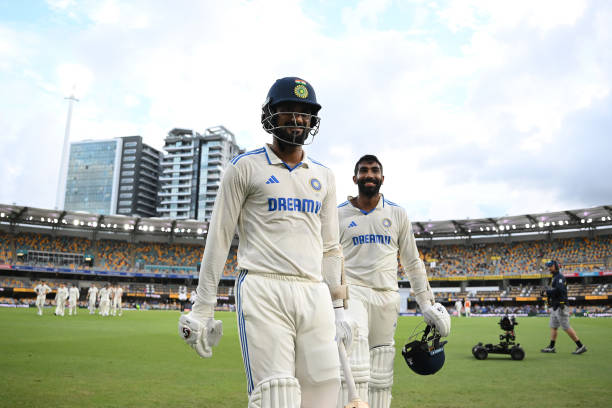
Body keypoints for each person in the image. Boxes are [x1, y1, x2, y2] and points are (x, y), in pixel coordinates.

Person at [178, 77, 353, 408]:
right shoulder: (245, 167)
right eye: (289, 110)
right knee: (276, 396)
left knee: (325, 394)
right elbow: (218, 238)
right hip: (263, 287)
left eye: (305, 113)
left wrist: (340, 309)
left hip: (314, 291)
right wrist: (203, 307)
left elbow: (331, 248)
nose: (298, 119)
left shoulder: (325, 176)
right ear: (270, 115)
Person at [336, 154, 451, 408]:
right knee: (356, 367)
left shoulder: (397, 214)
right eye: (364, 171)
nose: (369, 175)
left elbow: (412, 262)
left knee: (381, 373)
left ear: (382, 178)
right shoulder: (339, 214)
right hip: (353, 292)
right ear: (355, 178)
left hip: (387, 296)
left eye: (374, 170)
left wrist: (426, 303)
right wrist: (333, 304)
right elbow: (329, 259)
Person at [541, 260, 587, 354]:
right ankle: (551, 347)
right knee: (553, 326)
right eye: (548, 266)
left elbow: (560, 290)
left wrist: (547, 293)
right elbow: (555, 291)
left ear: (556, 266)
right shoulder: (554, 277)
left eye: (550, 266)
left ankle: (581, 346)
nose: (549, 268)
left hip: (560, 305)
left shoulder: (559, 277)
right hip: (555, 306)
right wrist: (548, 296)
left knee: (566, 327)